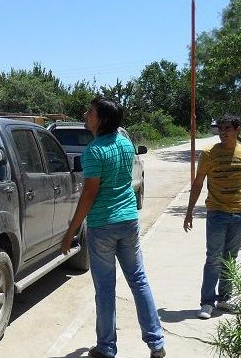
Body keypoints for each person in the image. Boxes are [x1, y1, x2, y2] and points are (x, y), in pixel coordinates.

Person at [62, 97, 166, 358]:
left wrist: (71, 230)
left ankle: (107, 348)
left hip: (103, 225)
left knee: (105, 289)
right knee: (139, 280)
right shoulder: (124, 143)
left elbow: (89, 195)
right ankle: (156, 343)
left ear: (103, 119)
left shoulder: (94, 151)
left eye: (90, 112)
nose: (86, 114)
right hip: (128, 220)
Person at [183, 114, 241, 319]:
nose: (222, 132)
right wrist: (189, 211)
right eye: (220, 129)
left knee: (230, 258)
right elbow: (198, 183)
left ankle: (224, 299)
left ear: (237, 130)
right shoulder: (209, 153)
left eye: (227, 128)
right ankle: (207, 302)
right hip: (217, 213)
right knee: (213, 258)